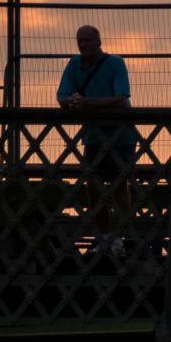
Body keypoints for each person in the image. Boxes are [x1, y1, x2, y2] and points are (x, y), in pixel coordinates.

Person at [56, 25, 139, 257]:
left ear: (98, 41)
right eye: (80, 41)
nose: (83, 45)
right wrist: (71, 102)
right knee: (93, 187)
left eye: (87, 41)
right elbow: (62, 96)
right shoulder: (74, 64)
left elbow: (121, 98)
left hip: (121, 135)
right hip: (94, 136)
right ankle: (104, 238)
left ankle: (120, 238)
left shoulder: (115, 63)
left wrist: (85, 102)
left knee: (119, 186)